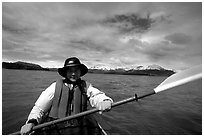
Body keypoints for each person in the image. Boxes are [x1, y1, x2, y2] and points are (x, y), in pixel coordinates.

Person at [20, 57, 113, 135]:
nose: (73, 73)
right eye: (70, 70)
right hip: (56, 125)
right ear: (65, 72)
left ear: (80, 72)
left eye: (76, 70)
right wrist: (31, 122)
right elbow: (39, 108)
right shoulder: (54, 87)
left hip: (80, 125)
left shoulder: (86, 86)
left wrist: (104, 101)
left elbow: (96, 95)